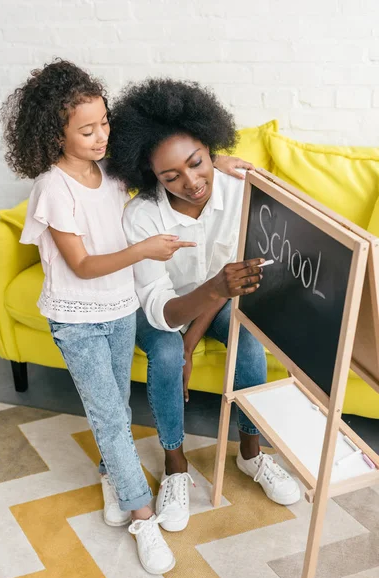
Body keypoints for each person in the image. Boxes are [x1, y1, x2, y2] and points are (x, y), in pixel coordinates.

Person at [0, 60, 252, 574]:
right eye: (87, 130)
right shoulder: (53, 189)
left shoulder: (111, 169)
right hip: (78, 319)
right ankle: (142, 517)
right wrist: (145, 251)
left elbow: (165, 160)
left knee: (111, 410)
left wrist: (216, 162)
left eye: (105, 124)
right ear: (55, 133)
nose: (100, 137)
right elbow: (83, 265)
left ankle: (113, 473)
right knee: (112, 416)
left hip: (119, 312)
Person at [107, 78, 301, 533]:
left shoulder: (238, 191)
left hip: (213, 300)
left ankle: (251, 454)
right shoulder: (141, 217)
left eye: (197, 163)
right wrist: (187, 337)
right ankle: (176, 467)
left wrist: (199, 332)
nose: (191, 182)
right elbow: (162, 311)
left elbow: (227, 287)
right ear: (150, 176)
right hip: (163, 307)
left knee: (246, 334)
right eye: (170, 176)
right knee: (168, 352)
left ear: (211, 147)